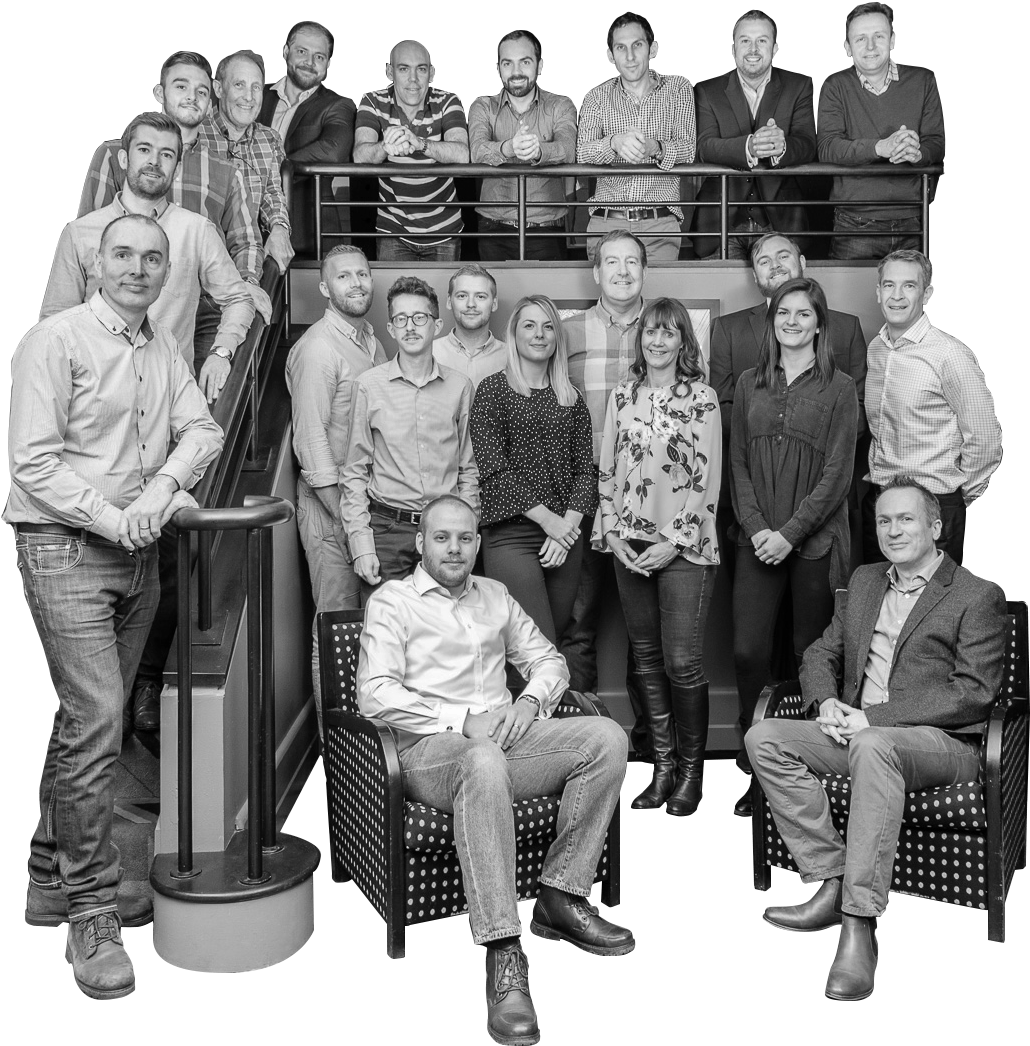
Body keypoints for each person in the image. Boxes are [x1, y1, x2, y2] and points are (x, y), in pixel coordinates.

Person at [9, 213, 223, 999]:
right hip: (64, 549)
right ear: (97, 263)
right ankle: (91, 912)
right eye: (123, 254)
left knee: (83, 721)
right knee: (98, 718)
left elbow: (202, 429)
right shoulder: (53, 342)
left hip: (138, 556)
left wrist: (162, 490)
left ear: (167, 271)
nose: (138, 268)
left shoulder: (163, 349)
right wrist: (116, 518)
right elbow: (32, 464)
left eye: (152, 258)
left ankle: (46, 880)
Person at [357, 494, 633, 1045]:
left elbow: (549, 661)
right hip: (429, 754)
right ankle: (504, 952)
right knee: (481, 757)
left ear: (478, 543)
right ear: (421, 542)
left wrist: (528, 703)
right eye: (442, 537)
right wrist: (464, 721)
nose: (454, 548)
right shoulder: (392, 602)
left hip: (508, 743)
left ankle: (560, 895)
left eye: (465, 538)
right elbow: (374, 693)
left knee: (606, 736)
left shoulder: (496, 596)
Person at [747, 477, 1007, 1002]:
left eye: (906, 519)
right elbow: (821, 654)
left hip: (940, 745)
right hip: (857, 733)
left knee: (873, 743)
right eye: (884, 520)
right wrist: (827, 704)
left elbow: (973, 694)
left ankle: (859, 924)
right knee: (765, 736)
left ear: (936, 527)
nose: (893, 530)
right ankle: (831, 879)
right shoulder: (865, 581)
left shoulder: (977, 594)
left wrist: (871, 718)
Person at [709, 232, 866, 807]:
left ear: (820, 324)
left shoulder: (840, 387)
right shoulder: (749, 383)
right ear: (772, 321)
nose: (792, 321)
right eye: (783, 313)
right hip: (756, 538)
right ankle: (757, 764)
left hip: (814, 541)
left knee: (809, 656)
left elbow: (838, 472)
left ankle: (801, 767)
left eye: (803, 313)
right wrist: (759, 531)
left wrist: (791, 534)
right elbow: (739, 463)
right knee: (749, 651)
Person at [596, 298, 721, 816]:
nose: (658, 340)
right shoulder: (622, 395)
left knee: (682, 663)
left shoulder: (703, 399)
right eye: (650, 331)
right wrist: (612, 533)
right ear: (640, 338)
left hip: (684, 547)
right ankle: (662, 768)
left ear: (683, 341)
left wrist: (674, 541)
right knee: (645, 659)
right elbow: (607, 468)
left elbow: (706, 478)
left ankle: (692, 774)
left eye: (669, 332)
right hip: (629, 545)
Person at [42, 112, 256, 398]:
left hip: (170, 398)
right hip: (95, 397)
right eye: (144, 150)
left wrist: (221, 352)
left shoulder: (197, 230)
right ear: (123, 159)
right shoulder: (79, 233)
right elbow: (54, 322)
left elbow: (238, 299)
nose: (154, 161)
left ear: (177, 169)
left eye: (166, 154)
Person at [77, 50, 270, 348]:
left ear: (209, 102)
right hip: (125, 298)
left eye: (201, 91)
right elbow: (89, 237)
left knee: (214, 374)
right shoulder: (115, 155)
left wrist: (246, 282)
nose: (192, 96)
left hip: (205, 308)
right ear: (160, 93)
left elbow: (246, 241)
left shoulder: (226, 171)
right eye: (181, 86)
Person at [285, 245, 386, 738]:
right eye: (344, 277)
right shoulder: (318, 349)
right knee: (338, 630)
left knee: (373, 631)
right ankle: (337, 752)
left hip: (364, 508)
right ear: (325, 287)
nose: (357, 283)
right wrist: (347, 521)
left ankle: (373, 751)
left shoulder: (372, 342)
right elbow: (312, 443)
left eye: (362, 274)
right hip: (331, 511)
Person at [562, 229, 649, 757]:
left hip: (646, 495)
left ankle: (652, 748)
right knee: (578, 620)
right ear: (596, 273)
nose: (621, 271)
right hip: (583, 490)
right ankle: (580, 744)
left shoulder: (663, 328)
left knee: (646, 630)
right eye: (611, 262)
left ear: (644, 270)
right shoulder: (567, 331)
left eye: (631, 262)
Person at [341, 277, 479, 602]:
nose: (410, 327)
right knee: (385, 630)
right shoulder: (368, 386)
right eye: (401, 319)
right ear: (391, 328)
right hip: (387, 532)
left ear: (437, 325)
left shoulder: (460, 387)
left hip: (446, 531)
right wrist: (361, 544)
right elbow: (354, 472)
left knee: (446, 629)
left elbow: (469, 468)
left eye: (419, 317)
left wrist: (468, 530)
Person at [470, 295, 596, 648]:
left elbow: (585, 473)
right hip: (511, 535)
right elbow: (494, 469)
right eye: (529, 325)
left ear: (557, 336)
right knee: (535, 646)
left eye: (547, 327)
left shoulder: (571, 397)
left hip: (564, 537)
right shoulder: (493, 390)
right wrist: (549, 522)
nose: (539, 334)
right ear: (514, 334)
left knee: (548, 645)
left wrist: (564, 528)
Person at [863, 250, 1001, 566]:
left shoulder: (950, 355)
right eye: (889, 285)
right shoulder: (876, 349)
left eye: (909, 286)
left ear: (927, 294)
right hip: (882, 502)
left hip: (933, 503)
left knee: (934, 597)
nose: (897, 296)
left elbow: (985, 438)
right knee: (880, 593)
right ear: (878, 292)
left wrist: (957, 496)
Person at [817, 3, 946, 260]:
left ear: (892, 40)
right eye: (860, 39)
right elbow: (828, 147)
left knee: (909, 288)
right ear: (847, 47)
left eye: (878, 36)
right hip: (854, 221)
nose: (870, 46)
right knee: (847, 289)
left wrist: (917, 152)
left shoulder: (924, 80)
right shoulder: (835, 85)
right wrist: (880, 147)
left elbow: (937, 143)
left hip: (913, 217)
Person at [693, 10, 816, 258]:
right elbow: (704, 147)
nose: (753, 49)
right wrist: (748, 147)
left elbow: (808, 144)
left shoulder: (800, 85)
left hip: (781, 221)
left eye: (762, 40)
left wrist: (782, 146)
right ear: (733, 49)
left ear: (775, 48)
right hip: (721, 222)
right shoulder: (707, 90)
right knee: (718, 282)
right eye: (745, 41)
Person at [577, 11, 696, 262]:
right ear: (610, 55)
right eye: (621, 48)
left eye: (637, 45)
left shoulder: (678, 88)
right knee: (606, 288)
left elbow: (688, 150)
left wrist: (656, 148)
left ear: (652, 49)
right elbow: (582, 153)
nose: (630, 56)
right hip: (606, 222)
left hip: (659, 222)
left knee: (659, 290)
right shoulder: (596, 97)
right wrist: (614, 143)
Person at [353, 40, 469, 262]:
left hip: (444, 229)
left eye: (421, 69)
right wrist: (385, 147)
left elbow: (463, 154)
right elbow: (360, 155)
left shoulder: (448, 100)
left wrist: (419, 143)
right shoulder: (373, 100)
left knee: (445, 287)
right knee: (394, 287)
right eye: (404, 69)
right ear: (390, 72)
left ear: (431, 74)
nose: (413, 79)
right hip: (392, 229)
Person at [468, 30, 577, 261]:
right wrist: (509, 148)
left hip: (547, 228)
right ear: (498, 69)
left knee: (548, 288)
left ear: (539, 66)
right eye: (507, 63)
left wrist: (539, 151)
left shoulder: (561, 105)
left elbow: (568, 150)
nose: (516, 71)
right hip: (493, 229)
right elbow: (476, 151)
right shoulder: (483, 106)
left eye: (525, 62)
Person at [258, 21, 356, 258]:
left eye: (319, 57)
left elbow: (333, 151)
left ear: (328, 63)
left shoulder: (338, 104)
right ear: (286, 52)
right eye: (302, 51)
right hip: (250, 232)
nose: (309, 62)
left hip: (310, 235)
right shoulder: (257, 95)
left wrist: (270, 169)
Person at [202, 49, 294, 275]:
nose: (249, 97)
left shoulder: (269, 138)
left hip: (250, 258)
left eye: (256, 87)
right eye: (239, 85)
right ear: (218, 89)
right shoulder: (195, 134)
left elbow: (272, 192)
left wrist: (280, 228)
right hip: (202, 258)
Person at [433, 264, 506, 387]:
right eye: (462, 296)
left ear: (494, 304)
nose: (471, 304)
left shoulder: (512, 358)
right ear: (449, 302)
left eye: (480, 296)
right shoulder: (430, 354)